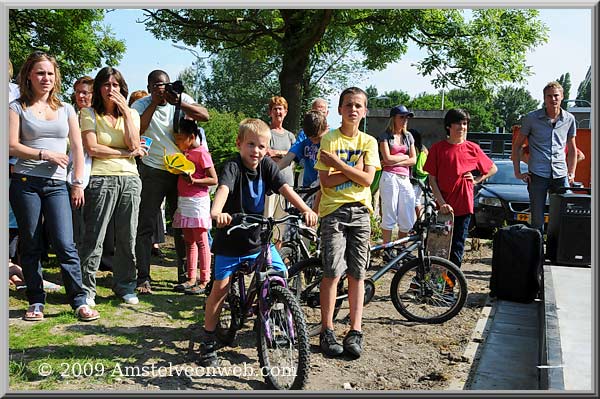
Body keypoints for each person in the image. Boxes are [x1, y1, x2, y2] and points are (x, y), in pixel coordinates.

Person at [198, 118, 318, 367]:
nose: (256, 151)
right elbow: (223, 190)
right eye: (251, 144)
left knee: (280, 272)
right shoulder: (233, 166)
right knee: (219, 289)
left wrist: (306, 209)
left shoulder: (266, 166)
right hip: (230, 239)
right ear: (239, 144)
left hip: (256, 239)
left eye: (262, 146)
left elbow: (286, 188)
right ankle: (208, 340)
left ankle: (276, 315)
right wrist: (216, 211)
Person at [9, 51, 99, 322]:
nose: (45, 78)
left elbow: (78, 148)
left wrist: (78, 183)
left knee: (65, 243)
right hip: (25, 182)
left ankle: (79, 300)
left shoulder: (66, 109)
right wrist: (43, 154)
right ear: (28, 76)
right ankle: (36, 301)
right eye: (39, 73)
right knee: (32, 244)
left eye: (49, 73)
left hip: (58, 184)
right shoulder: (16, 107)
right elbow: (11, 145)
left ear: (55, 77)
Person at [314, 87, 381, 359]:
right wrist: (355, 171)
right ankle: (327, 330)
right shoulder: (329, 139)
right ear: (340, 109)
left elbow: (368, 181)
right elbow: (326, 182)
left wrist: (338, 165)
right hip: (334, 212)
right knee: (331, 272)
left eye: (359, 105)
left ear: (364, 111)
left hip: (361, 214)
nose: (353, 109)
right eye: (348, 105)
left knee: (357, 273)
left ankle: (355, 331)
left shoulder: (370, 142)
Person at [131, 70, 209, 293]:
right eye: (156, 85)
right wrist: (154, 104)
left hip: (181, 172)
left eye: (164, 84)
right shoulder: (141, 105)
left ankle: (186, 276)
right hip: (153, 171)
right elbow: (137, 129)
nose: (161, 89)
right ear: (148, 87)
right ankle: (143, 276)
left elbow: (205, 116)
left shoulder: (180, 99)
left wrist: (180, 104)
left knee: (183, 227)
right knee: (145, 225)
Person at [78, 66, 145, 307]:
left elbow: (135, 144)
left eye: (115, 85)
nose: (111, 89)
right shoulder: (88, 113)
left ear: (122, 88)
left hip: (130, 179)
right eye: (106, 85)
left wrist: (127, 112)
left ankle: (125, 285)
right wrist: (125, 152)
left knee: (127, 236)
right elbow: (92, 148)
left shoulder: (132, 115)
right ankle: (86, 289)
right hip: (100, 179)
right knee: (94, 237)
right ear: (98, 88)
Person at [424, 108, 497, 270]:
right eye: (458, 123)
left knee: (457, 247)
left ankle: (450, 288)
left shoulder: (473, 148)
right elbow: (432, 179)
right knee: (436, 247)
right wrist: (441, 203)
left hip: (464, 206)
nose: (462, 127)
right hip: (442, 209)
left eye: (465, 124)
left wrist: (477, 180)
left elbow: (492, 168)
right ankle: (429, 283)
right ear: (448, 126)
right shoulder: (438, 148)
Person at [513, 81, 578, 232]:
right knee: (537, 219)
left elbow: (573, 149)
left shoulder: (569, 119)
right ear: (544, 98)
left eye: (556, 96)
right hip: (538, 174)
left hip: (561, 174)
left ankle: (558, 252)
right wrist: (517, 172)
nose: (553, 99)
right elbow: (517, 146)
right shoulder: (531, 118)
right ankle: (537, 254)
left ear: (562, 97)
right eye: (549, 96)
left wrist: (572, 172)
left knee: (565, 215)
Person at [171, 118, 218, 295]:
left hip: (198, 201)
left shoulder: (202, 153)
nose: (178, 142)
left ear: (191, 137)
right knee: (189, 240)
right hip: (184, 201)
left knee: (201, 240)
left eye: (181, 139)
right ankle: (191, 278)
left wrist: (195, 180)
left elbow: (214, 179)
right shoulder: (184, 153)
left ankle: (205, 280)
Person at [128, 90, 166, 258]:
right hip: (137, 166)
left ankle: (155, 242)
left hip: (152, 165)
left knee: (155, 209)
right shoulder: (131, 119)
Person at [377, 105, 417, 262]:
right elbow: (386, 159)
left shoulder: (409, 137)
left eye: (406, 117)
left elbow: (414, 159)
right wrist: (403, 157)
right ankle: (387, 250)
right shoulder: (385, 136)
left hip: (404, 178)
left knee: (406, 214)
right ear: (393, 118)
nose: (405, 120)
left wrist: (396, 158)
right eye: (402, 117)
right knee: (389, 213)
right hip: (389, 177)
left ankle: (402, 250)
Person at [278, 109, 328, 212]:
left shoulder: (332, 138)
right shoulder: (304, 138)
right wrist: (268, 172)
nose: (314, 141)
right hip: (308, 189)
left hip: (326, 191)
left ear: (326, 129)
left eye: (318, 138)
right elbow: (287, 158)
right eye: (311, 138)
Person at [263, 96, 296, 248]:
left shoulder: (290, 136)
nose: (278, 111)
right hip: (270, 187)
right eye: (275, 108)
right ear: (270, 112)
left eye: (280, 108)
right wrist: (286, 154)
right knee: (267, 221)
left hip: (287, 185)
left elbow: (295, 156)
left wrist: (278, 153)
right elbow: (266, 154)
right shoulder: (266, 133)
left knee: (281, 226)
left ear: (286, 112)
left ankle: (277, 258)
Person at [409, 128, 429, 217]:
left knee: (410, 202)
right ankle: (420, 221)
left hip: (414, 179)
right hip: (422, 179)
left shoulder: (414, 149)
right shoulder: (424, 149)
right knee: (417, 201)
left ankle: (410, 224)